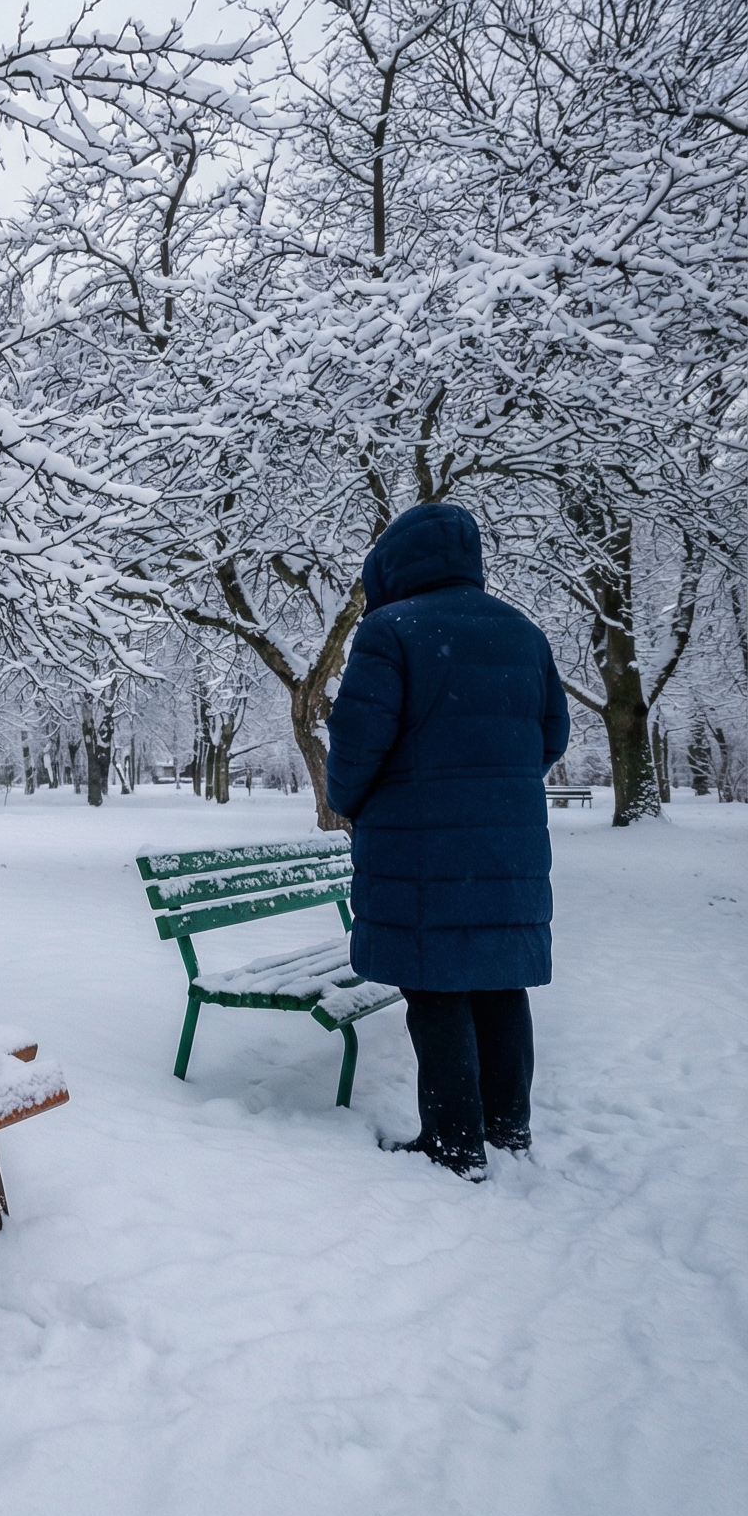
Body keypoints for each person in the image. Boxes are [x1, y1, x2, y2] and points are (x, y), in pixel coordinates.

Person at [325, 503, 570, 1178]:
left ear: (393, 567)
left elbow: (356, 746)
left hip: (421, 849)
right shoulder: (523, 632)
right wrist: (495, 786)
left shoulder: (391, 630)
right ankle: (506, 1127)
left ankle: (455, 1144)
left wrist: (352, 799)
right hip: (507, 848)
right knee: (500, 983)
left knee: (434, 987)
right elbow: (552, 735)